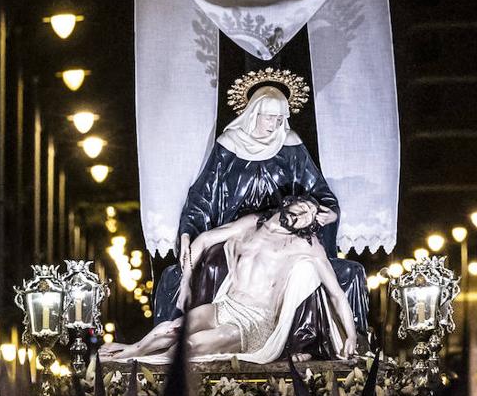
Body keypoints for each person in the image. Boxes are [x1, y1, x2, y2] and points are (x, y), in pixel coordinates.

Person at [150, 83, 368, 358]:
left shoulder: (290, 145)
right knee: (211, 268)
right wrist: (188, 231)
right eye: (268, 117)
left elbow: (319, 192)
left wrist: (329, 212)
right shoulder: (229, 145)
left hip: (285, 239)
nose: (274, 124)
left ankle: (302, 344)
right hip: (242, 234)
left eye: (279, 118)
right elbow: (203, 195)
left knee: (313, 271)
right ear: (253, 114)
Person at [108, 196, 358, 363]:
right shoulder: (253, 224)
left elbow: (336, 293)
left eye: (311, 216)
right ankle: (130, 353)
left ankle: (156, 374)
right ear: (289, 202)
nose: (305, 216)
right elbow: (205, 239)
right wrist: (185, 281)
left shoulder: (306, 245)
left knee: (191, 344)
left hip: (254, 324)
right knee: (173, 329)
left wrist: (352, 336)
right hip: (226, 306)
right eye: (304, 207)